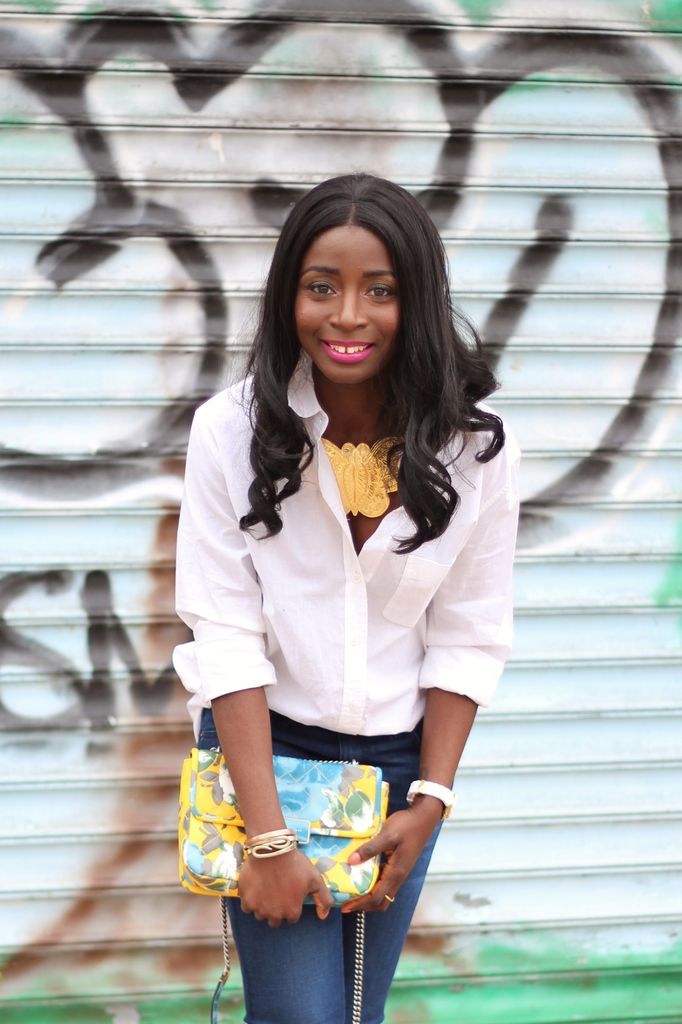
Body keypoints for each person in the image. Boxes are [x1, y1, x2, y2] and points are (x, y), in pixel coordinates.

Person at [173, 172, 520, 1024]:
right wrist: (266, 835)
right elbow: (224, 636)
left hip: (399, 774)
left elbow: (469, 635)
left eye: (381, 290)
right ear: (290, 293)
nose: (348, 316)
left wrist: (432, 801)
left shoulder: (474, 449)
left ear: (420, 300)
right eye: (321, 286)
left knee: (357, 1014)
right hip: (267, 754)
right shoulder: (230, 430)